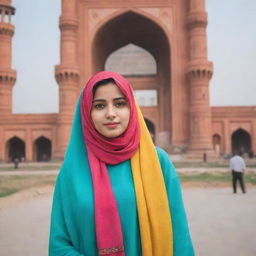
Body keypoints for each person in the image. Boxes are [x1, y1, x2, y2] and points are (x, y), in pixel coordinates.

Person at [49, 71, 194, 256]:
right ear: (86, 112)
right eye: (99, 106)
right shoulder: (72, 172)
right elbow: (59, 244)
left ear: (132, 108)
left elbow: (179, 238)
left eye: (119, 103)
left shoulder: (158, 162)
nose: (111, 113)